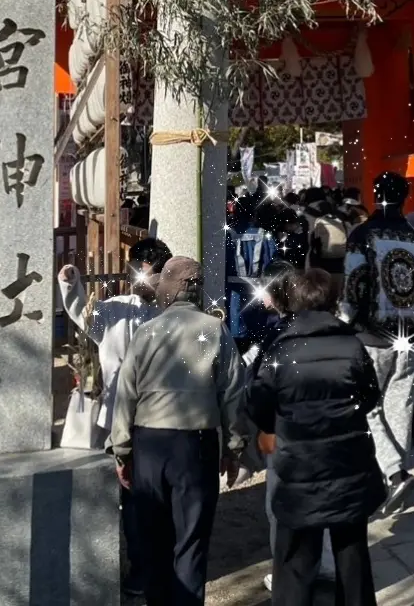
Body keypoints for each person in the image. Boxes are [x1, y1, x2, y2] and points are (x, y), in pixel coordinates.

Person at [111, 257, 245, 606]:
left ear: (166, 290)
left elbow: (126, 394)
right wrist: (233, 447)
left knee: (153, 540)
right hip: (195, 446)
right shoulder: (215, 330)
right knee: (191, 542)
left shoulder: (146, 332)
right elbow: (233, 393)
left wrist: (121, 450)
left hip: (149, 444)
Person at [248, 268, 384, 606]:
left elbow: (258, 401)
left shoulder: (281, 347)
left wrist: (277, 425)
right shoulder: (351, 343)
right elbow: (368, 396)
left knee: (295, 559)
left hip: (299, 465)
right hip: (348, 461)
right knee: (352, 558)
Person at [59, 236, 171, 597]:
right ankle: (145, 569)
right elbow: (81, 314)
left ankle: (146, 569)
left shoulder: (169, 310)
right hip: (136, 419)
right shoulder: (115, 309)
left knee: (142, 500)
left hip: (144, 418)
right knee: (138, 500)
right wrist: (70, 282)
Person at [342, 170, 414, 512]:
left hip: (371, 333)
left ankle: (392, 473)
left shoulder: (363, 234)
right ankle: (398, 472)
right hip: (409, 334)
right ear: (405, 197)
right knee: (399, 406)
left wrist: (344, 321)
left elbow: (355, 283)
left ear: (375, 195)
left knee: (366, 405)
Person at [225, 196, 277, 351]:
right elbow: (271, 264)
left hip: (232, 293)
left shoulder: (228, 234)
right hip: (257, 292)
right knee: (257, 337)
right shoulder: (265, 235)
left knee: (235, 336)